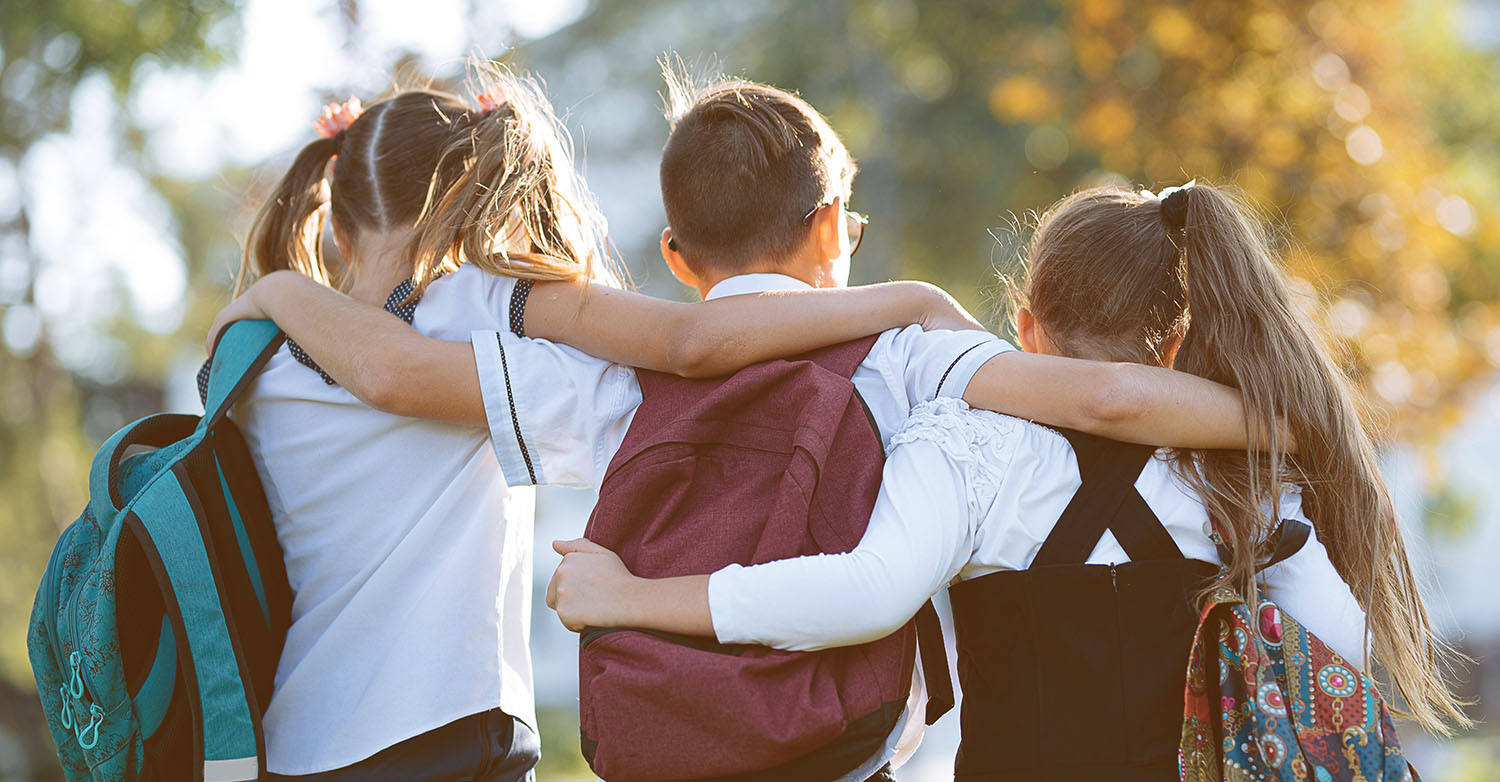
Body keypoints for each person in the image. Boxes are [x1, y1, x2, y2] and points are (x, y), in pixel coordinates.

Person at [214, 70, 1265, 779]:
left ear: (676, 256)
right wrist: (1285, 421)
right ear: (828, 230)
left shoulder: (602, 386)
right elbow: (1098, 398)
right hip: (857, 746)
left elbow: (413, 375)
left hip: (676, 740)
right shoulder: (912, 352)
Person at [545, 182, 1472, 779]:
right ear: (1180, 339)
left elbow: (862, 595)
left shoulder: (967, 447)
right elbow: (1338, 645)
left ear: (1025, 327)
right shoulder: (1238, 471)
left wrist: (634, 597)